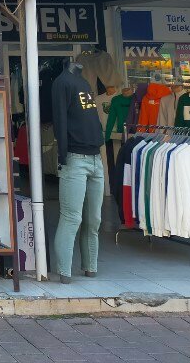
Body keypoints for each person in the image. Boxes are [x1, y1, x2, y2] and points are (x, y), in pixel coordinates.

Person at [51, 60, 105, 283]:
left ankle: (90, 266)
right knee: (71, 217)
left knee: (94, 219)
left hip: (95, 158)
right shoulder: (62, 83)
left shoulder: (83, 82)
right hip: (75, 159)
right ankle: (64, 271)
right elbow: (60, 120)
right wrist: (62, 156)